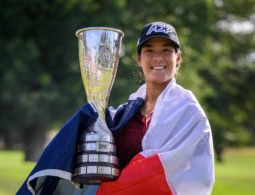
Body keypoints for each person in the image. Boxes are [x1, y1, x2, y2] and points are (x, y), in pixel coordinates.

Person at [17, 21, 215, 195]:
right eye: (149, 50)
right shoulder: (125, 113)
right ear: (139, 59)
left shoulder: (189, 113)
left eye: (166, 50)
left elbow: (194, 178)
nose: (158, 57)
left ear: (178, 57)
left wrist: (111, 191)